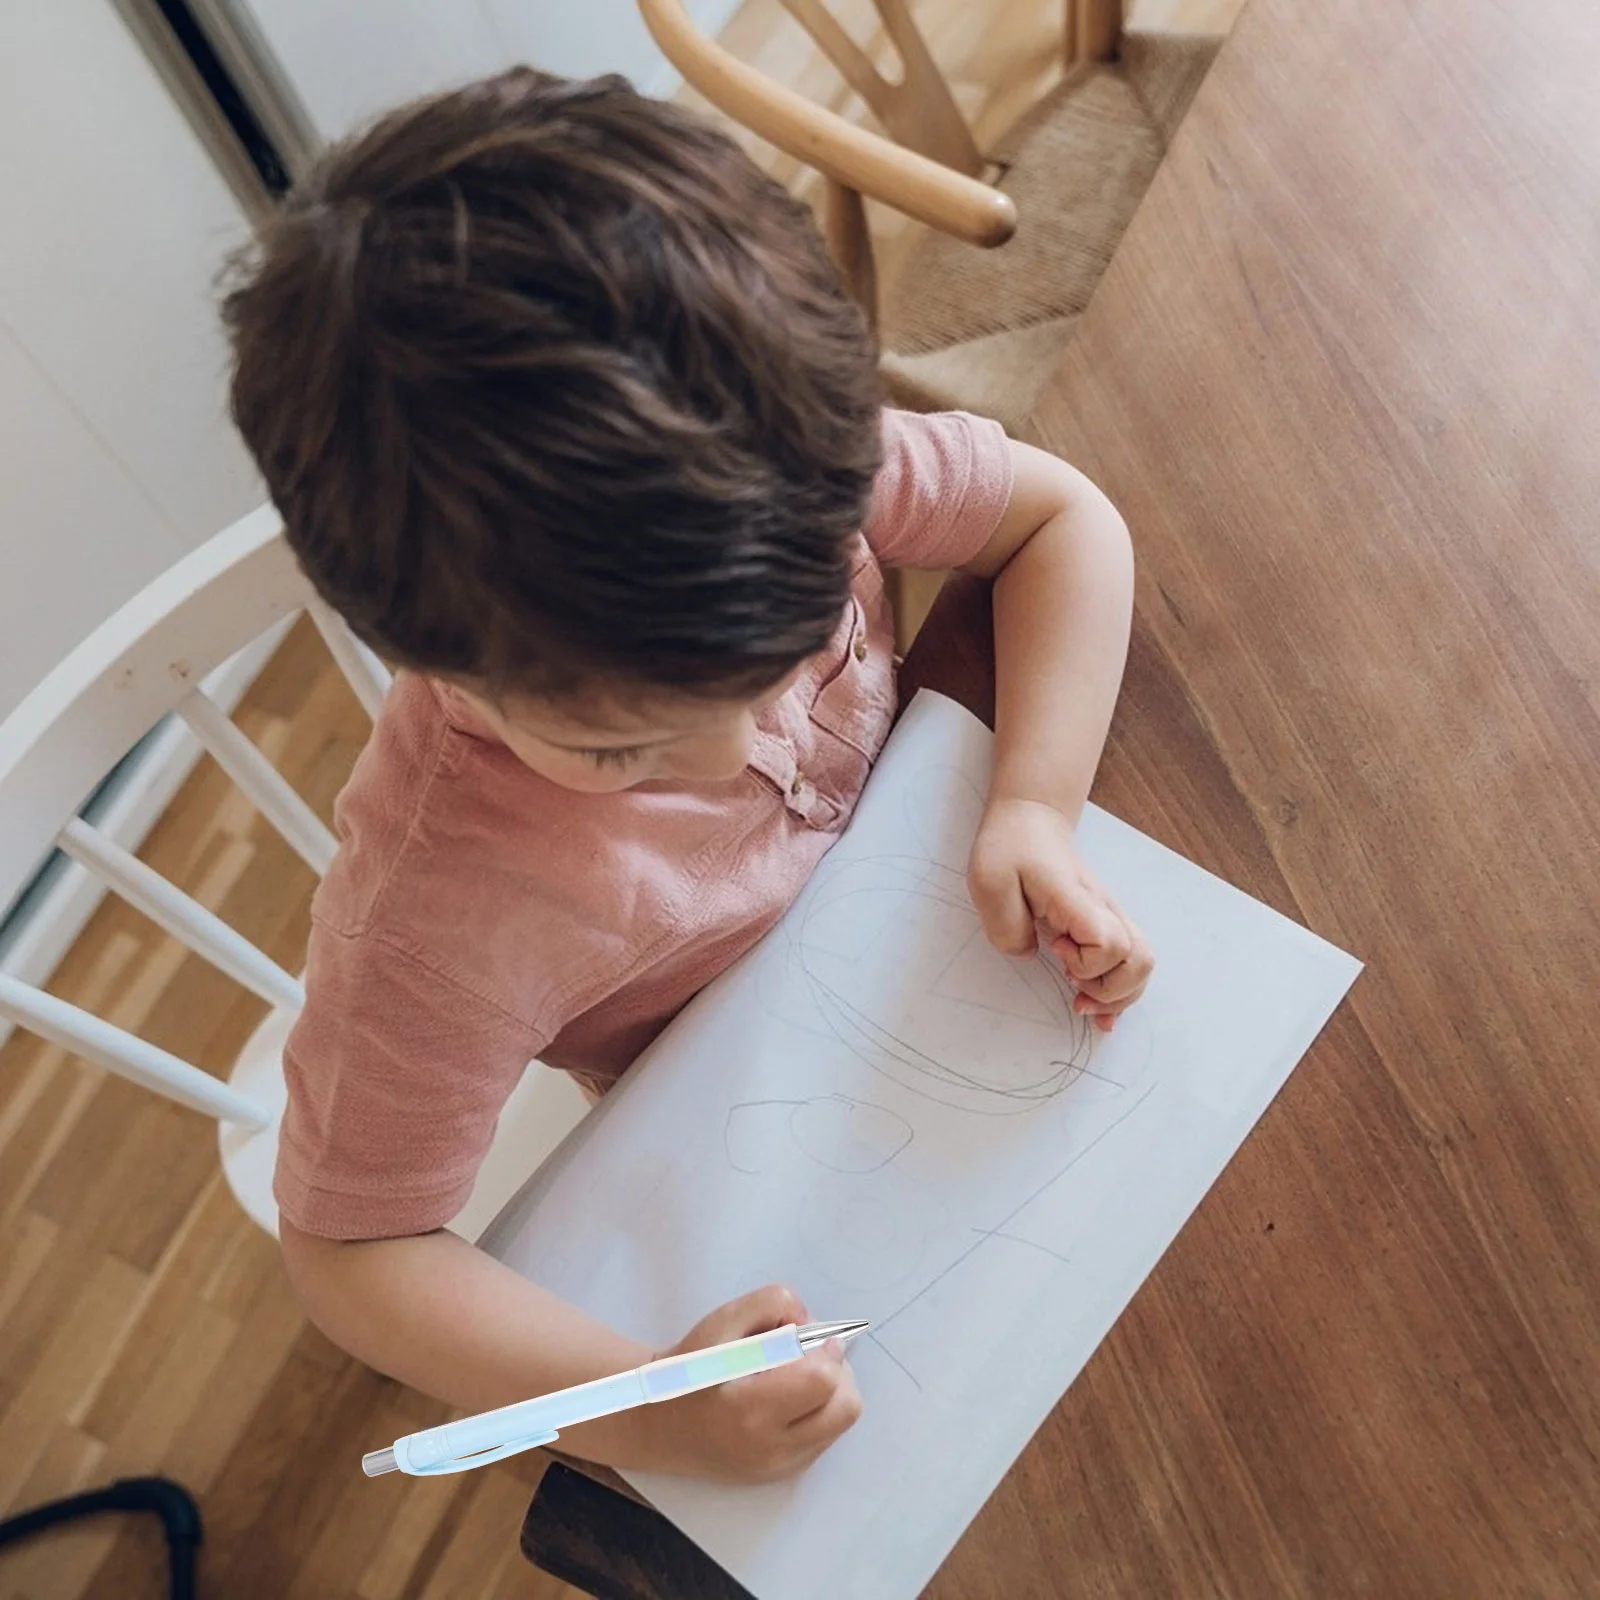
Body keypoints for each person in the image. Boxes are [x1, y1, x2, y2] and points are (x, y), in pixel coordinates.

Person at [222, 67, 1152, 1483]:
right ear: (441, 663)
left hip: (925, 963)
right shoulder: (438, 921)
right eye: (623, 749)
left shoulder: (768, 478)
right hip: (752, 1137)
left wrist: (1035, 800)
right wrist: (645, 1403)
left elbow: (1061, 517)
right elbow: (351, 1256)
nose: (733, 759)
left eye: (785, 659)